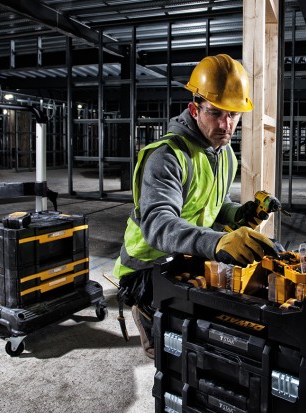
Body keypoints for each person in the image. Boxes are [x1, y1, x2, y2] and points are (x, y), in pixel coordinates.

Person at [113, 54, 278, 359]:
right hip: (147, 265)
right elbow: (159, 224)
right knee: (172, 352)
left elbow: (215, 204)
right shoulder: (167, 156)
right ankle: (145, 308)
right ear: (194, 109)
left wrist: (240, 214)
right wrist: (216, 243)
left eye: (234, 115)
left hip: (187, 252)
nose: (226, 125)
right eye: (216, 113)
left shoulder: (225, 155)